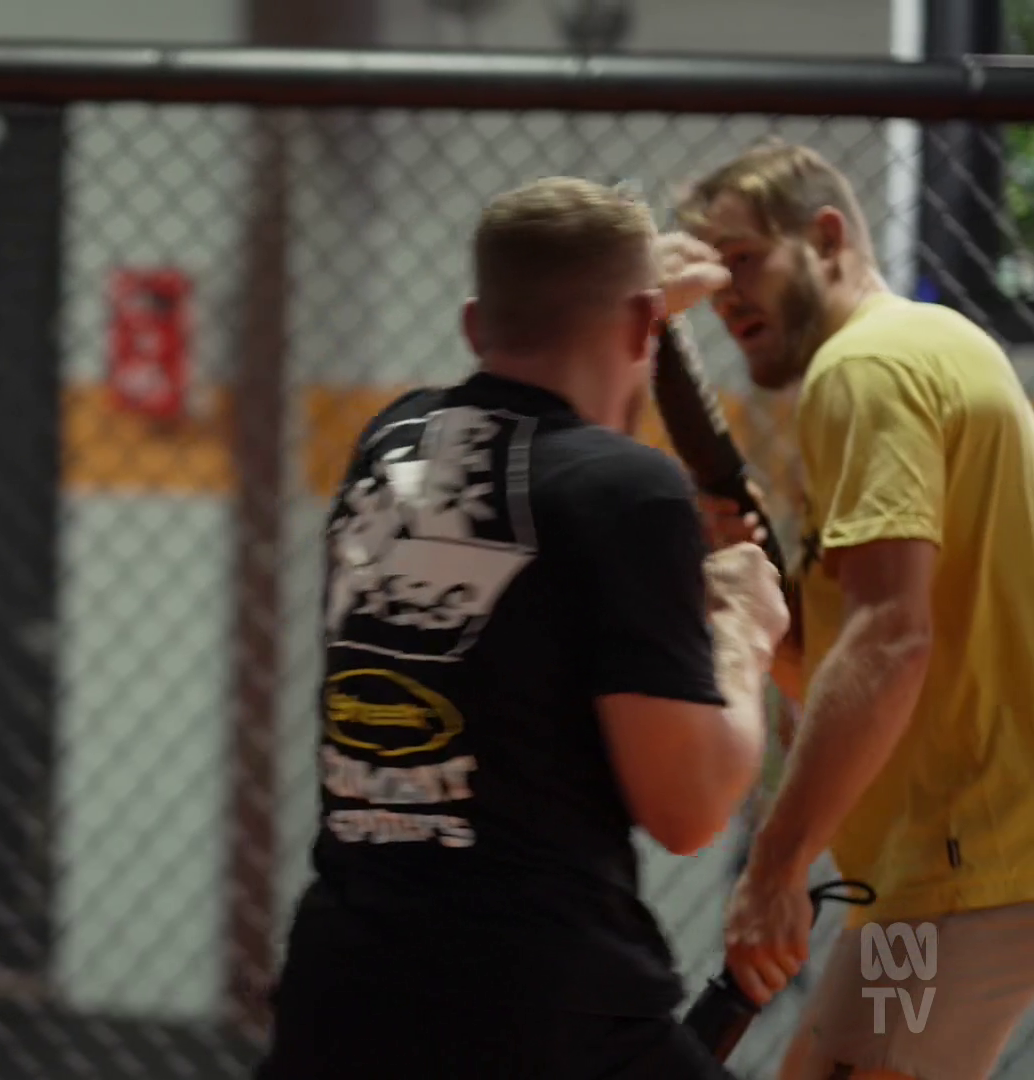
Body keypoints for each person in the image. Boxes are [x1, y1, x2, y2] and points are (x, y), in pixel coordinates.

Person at [252, 176, 790, 1079]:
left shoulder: (390, 445)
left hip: (342, 992)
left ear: (474, 325)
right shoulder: (627, 492)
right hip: (540, 1004)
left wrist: (634, 300)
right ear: (642, 325)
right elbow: (690, 809)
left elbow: (506, 453)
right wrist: (744, 628)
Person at [666, 137, 1034, 1080]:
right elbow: (859, 654)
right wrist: (770, 597)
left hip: (966, 865)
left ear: (826, 238)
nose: (725, 295)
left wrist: (776, 867)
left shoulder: (863, 369)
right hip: (947, 866)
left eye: (744, 258)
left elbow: (891, 636)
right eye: (712, 273)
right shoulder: (928, 344)